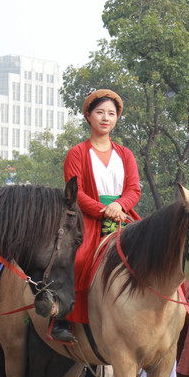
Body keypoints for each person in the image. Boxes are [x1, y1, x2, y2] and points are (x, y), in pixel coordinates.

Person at [59, 89, 141, 338]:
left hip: (123, 217)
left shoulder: (125, 154)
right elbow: (76, 191)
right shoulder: (77, 153)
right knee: (78, 258)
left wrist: (120, 206)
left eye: (111, 114)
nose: (106, 118)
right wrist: (103, 209)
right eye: (100, 112)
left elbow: (134, 188)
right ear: (88, 116)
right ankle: (64, 316)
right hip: (89, 220)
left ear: (117, 118)